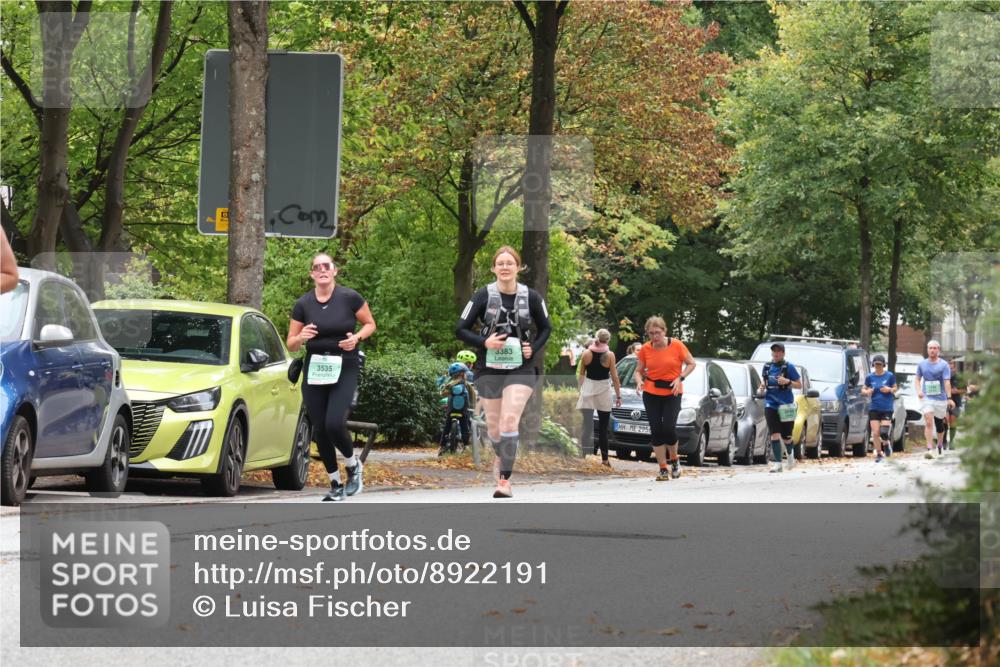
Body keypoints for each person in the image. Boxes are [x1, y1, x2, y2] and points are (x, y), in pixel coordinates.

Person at [455, 246, 552, 498]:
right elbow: (460, 328)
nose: (505, 267)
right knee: (495, 428)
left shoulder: (531, 297)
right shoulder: (481, 296)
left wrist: (533, 347)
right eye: (501, 263)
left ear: (518, 267)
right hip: (489, 368)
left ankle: (504, 481)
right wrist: (483, 342)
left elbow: (546, 328)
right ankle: (502, 455)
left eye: (510, 263)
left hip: (521, 368)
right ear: (493, 268)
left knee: (510, 420)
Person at [287, 254, 376, 501]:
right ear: (312, 274)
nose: (323, 270)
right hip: (315, 366)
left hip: (344, 364)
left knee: (334, 423)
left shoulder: (349, 298)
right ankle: (335, 483)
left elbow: (370, 324)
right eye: (317, 267)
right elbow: (291, 344)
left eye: (327, 266)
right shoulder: (303, 304)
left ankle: (353, 466)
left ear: (334, 271)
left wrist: (356, 338)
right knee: (319, 430)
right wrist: (301, 337)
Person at [632, 317, 696, 481]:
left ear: (664, 331)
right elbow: (638, 370)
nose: (655, 337)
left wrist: (680, 378)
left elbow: (691, 363)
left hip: (672, 392)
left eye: (658, 333)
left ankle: (674, 460)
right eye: (651, 333)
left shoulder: (677, 345)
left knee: (668, 428)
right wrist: (639, 381)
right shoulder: (645, 349)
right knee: (656, 429)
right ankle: (662, 468)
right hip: (651, 392)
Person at [576, 329, 622, 468]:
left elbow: (582, 375)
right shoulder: (610, 355)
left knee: (587, 425)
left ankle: (582, 458)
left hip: (588, 389)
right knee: (603, 427)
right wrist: (619, 395)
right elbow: (614, 377)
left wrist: (581, 390)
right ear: (607, 340)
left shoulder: (586, 353)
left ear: (596, 338)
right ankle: (605, 460)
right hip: (603, 390)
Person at [757, 342, 802, 473]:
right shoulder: (766, 367)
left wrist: (787, 382)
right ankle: (777, 464)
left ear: (783, 353)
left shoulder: (789, 367)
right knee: (774, 434)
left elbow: (799, 385)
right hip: (770, 404)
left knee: (787, 437)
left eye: (778, 351)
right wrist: (761, 387)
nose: (775, 354)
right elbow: (764, 382)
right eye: (774, 351)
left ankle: (790, 456)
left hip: (786, 406)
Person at [916, 340, 952, 458]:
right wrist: (919, 391)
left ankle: (940, 444)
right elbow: (917, 380)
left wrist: (949, 398)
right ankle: (929, 448)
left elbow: (947, 382)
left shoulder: (944, 365)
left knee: (939, 425)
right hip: (927, 398)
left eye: (934, 348)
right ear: (927, 349)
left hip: (940, 398)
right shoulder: (922, 364)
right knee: (928, 421)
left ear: (938, 349)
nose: (932, 350)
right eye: (930, 348)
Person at [863, 354, 897, 462]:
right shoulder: (870, 377)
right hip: (874, 407)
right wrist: (867, 391)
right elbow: (863, 390)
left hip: (887, 407)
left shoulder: (889, 376)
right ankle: (879, 453)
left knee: (883, 432)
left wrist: (889, 389)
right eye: (876, 364)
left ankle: (886, 444)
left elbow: (895, 388)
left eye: (880, 364)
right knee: (875, 433)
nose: (878, 366)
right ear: (873, 364)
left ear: (883, 365)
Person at [438, 362, 473, 455]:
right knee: (465, 427)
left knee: (447, 427)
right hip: (463, 409)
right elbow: (472, 396)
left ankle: (442, 447)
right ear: (462, 373)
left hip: (451, 409)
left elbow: (442, 394)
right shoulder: (466, 384)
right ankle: (466, 446)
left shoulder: (449, 384)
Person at [946, 359, 965, 449]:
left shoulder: (959, 378)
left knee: (953, 422)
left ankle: (952, 442)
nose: (951, 370)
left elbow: (964, 389)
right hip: (944, 402)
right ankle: (944, 441)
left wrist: (957, 391)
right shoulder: (944, 377)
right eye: (949, 368)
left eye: (952, 368)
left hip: (956, 402)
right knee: (945, 421)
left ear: (955, 368)